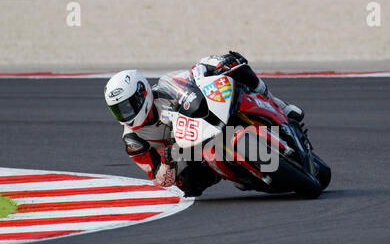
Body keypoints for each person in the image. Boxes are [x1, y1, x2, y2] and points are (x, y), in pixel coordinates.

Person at [103, 51, 304, 196]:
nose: (125, 115)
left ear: (142, 93)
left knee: (235, 69)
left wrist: (212, 65)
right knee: (189, 184)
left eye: (127, 106)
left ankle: (281, 106)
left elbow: (194, 74)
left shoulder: (164, 90)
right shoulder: (133, 140)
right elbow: (159, 180)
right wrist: (167, 161)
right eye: (118, 110)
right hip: (185, 154)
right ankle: (242, 175)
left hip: (206, 121)